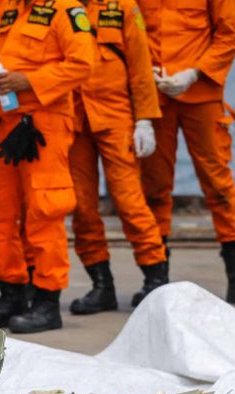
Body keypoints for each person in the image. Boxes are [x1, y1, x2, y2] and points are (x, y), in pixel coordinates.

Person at [0, 0, 96, 333]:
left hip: (44, 124)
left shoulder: (66, 11)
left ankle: (46, 300)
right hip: (4, 122)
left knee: (45, 210)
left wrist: (31, 81)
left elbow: (84, 63)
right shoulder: (9, 10)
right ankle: (11, 293)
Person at [137, 0, 235, 305]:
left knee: (218, 184)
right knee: (153, 187)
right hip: (155, 94)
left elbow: (229, 35)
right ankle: (156, 276)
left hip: (202, 92)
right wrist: (141, 70)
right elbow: (129, 29)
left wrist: (195, 73)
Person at [67, 0, 165, 315]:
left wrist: (145, 119)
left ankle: (156, 278)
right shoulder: (59, 8)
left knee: (129, 201)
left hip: (116, 117)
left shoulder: (122, 7)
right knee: (81, 206)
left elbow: (139, 64)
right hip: (73, 119)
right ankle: (101, 285)